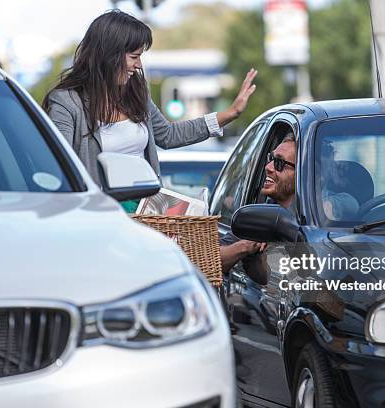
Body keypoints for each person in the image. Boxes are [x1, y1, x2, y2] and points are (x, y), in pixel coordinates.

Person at [43, 10, 257, 212]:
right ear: (109, 55)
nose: (138, 65)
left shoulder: (137, 90)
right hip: (100, 216)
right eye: (134, 56)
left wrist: (230, 113)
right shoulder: (66, 101)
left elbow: (168, 135)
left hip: (146, 213)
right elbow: (59, 166)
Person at [220, 133, 297, 277]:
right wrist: (246, 246)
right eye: (270, 159)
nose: (268, 167)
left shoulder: (325, 216)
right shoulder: (258, 215)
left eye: (279, 163)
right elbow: (211, 263)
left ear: (300, 173)